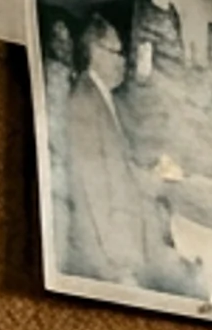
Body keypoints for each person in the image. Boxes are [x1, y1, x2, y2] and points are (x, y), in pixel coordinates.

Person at [54, 16, 175, 291]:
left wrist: (149, 177)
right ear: (96, 52)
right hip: (108, 258)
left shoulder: (102, 98)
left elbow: (118, 166)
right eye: (117, 52)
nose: (124, 61)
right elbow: (93, 189)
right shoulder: (84, 101)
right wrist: (117, 265)